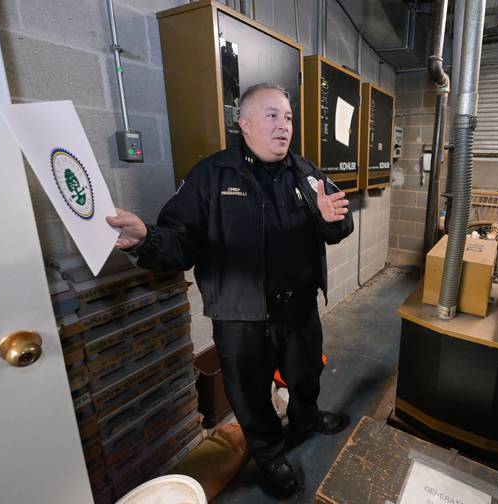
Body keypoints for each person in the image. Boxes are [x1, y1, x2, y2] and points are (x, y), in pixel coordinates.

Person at [107, 82, 353, 497]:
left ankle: (306, 419)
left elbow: (339, 225)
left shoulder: (305, 172)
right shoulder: (212, 175)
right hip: (241, 316)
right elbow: (179, 240)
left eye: (288, 118)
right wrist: (146, 238)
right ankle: (270, 453)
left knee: (306, 375)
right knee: (251, 394)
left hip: (299, 309)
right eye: (272, 116)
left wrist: (333, 220)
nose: (283, 126)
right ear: (245, 123)